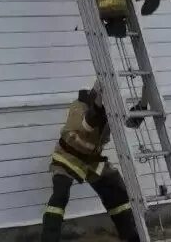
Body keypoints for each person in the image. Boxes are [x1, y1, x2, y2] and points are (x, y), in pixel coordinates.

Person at [40, 80, 140, 242]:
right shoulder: (79, 107)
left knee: (117, 194)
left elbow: (127, 123)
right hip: (67, 156)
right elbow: (83, 128)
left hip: (92, 160)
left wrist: (141, 108)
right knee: (60, 194)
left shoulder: (110, 113)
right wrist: (97, 112)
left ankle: (131, 237)